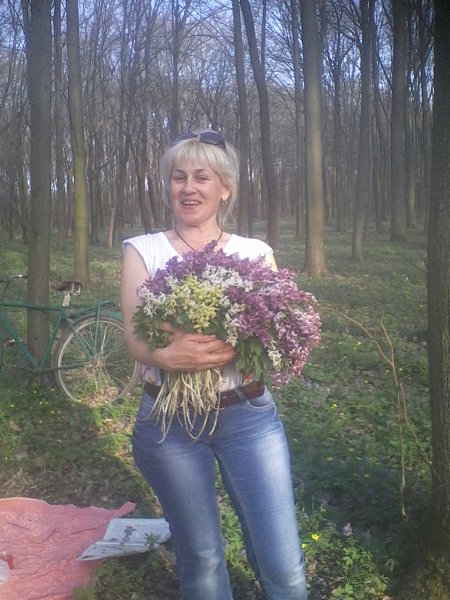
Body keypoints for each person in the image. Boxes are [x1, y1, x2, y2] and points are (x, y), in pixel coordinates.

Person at [120, 130, 308, 600]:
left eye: (201, 177)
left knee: (284, 566)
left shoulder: (255, 253)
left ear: (225, 188)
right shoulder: (143, 250)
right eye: (178, 177)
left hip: (248, 417)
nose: (188, 188)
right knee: (202, 560)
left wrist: (244, 340)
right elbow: (135, 339)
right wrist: (166, 356)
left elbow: (275, 328)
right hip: (169, 421)